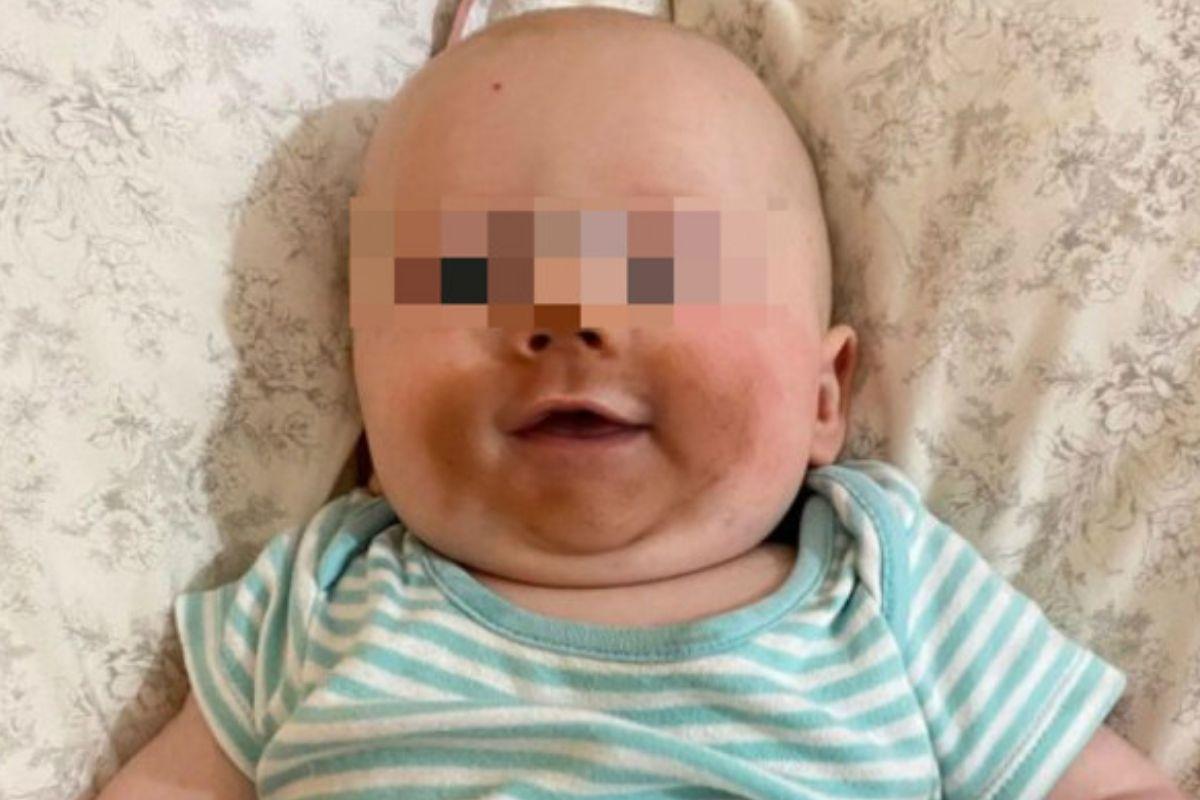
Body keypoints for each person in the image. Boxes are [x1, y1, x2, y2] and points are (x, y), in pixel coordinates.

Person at [97, 5, 1189, 798]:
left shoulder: (889, 583)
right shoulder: (313, 597)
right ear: (366, 397)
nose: (563, 310)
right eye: (469, 271)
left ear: (824, 395)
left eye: (658, 262)